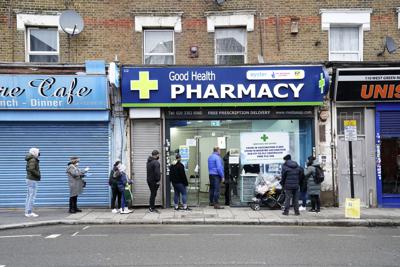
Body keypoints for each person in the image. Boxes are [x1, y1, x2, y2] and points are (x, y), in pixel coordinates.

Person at [25, 147, 41, 218]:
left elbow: (29, 169)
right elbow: (31, 169)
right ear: (34, 152)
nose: (39, 153)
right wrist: (38, 175)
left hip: (30, 179)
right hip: (32, 179)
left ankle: (27, 212)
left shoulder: (31, 159)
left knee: (29, 196)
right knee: (32, 196)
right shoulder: (33, 159)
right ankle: (29, 212)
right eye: (38, 152)